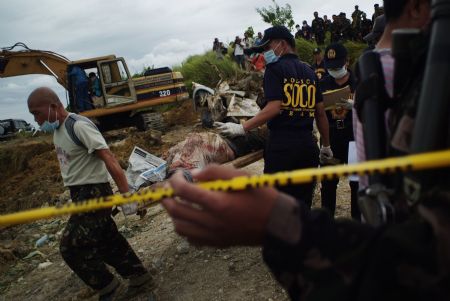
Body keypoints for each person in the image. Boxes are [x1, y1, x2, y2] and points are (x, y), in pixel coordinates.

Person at [27, 87, 152, 301]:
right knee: (106, 239)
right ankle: (139, 278)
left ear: (54, 107)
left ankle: (108, 287)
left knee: (71, 246)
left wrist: (126, 195)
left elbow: (109, 158)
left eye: (37, 113)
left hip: (94, 193)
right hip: (80, 193)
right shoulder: (59, 130)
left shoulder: (79, 125)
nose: (36, 120)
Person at [215, 25, 332, 208]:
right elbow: (321, 113)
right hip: (307, 148)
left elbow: (274, 107)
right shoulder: (310, 72)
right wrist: (326, 145)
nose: (265, 54)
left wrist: (242, 127)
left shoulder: (275, 69)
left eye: (267, 48)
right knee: (302, 205)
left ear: (282, 44)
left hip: (282, 149)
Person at [319, 43, 359, 219]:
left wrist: (356, 105)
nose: (334, 71)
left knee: (357, 184)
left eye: (337, 67)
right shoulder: (323, 83)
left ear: (347, 62)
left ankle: (358, 225)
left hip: (354, 139)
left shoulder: (358, 81)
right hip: (331, 138)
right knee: (328, 184)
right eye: (330, 67)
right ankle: (326, 226)